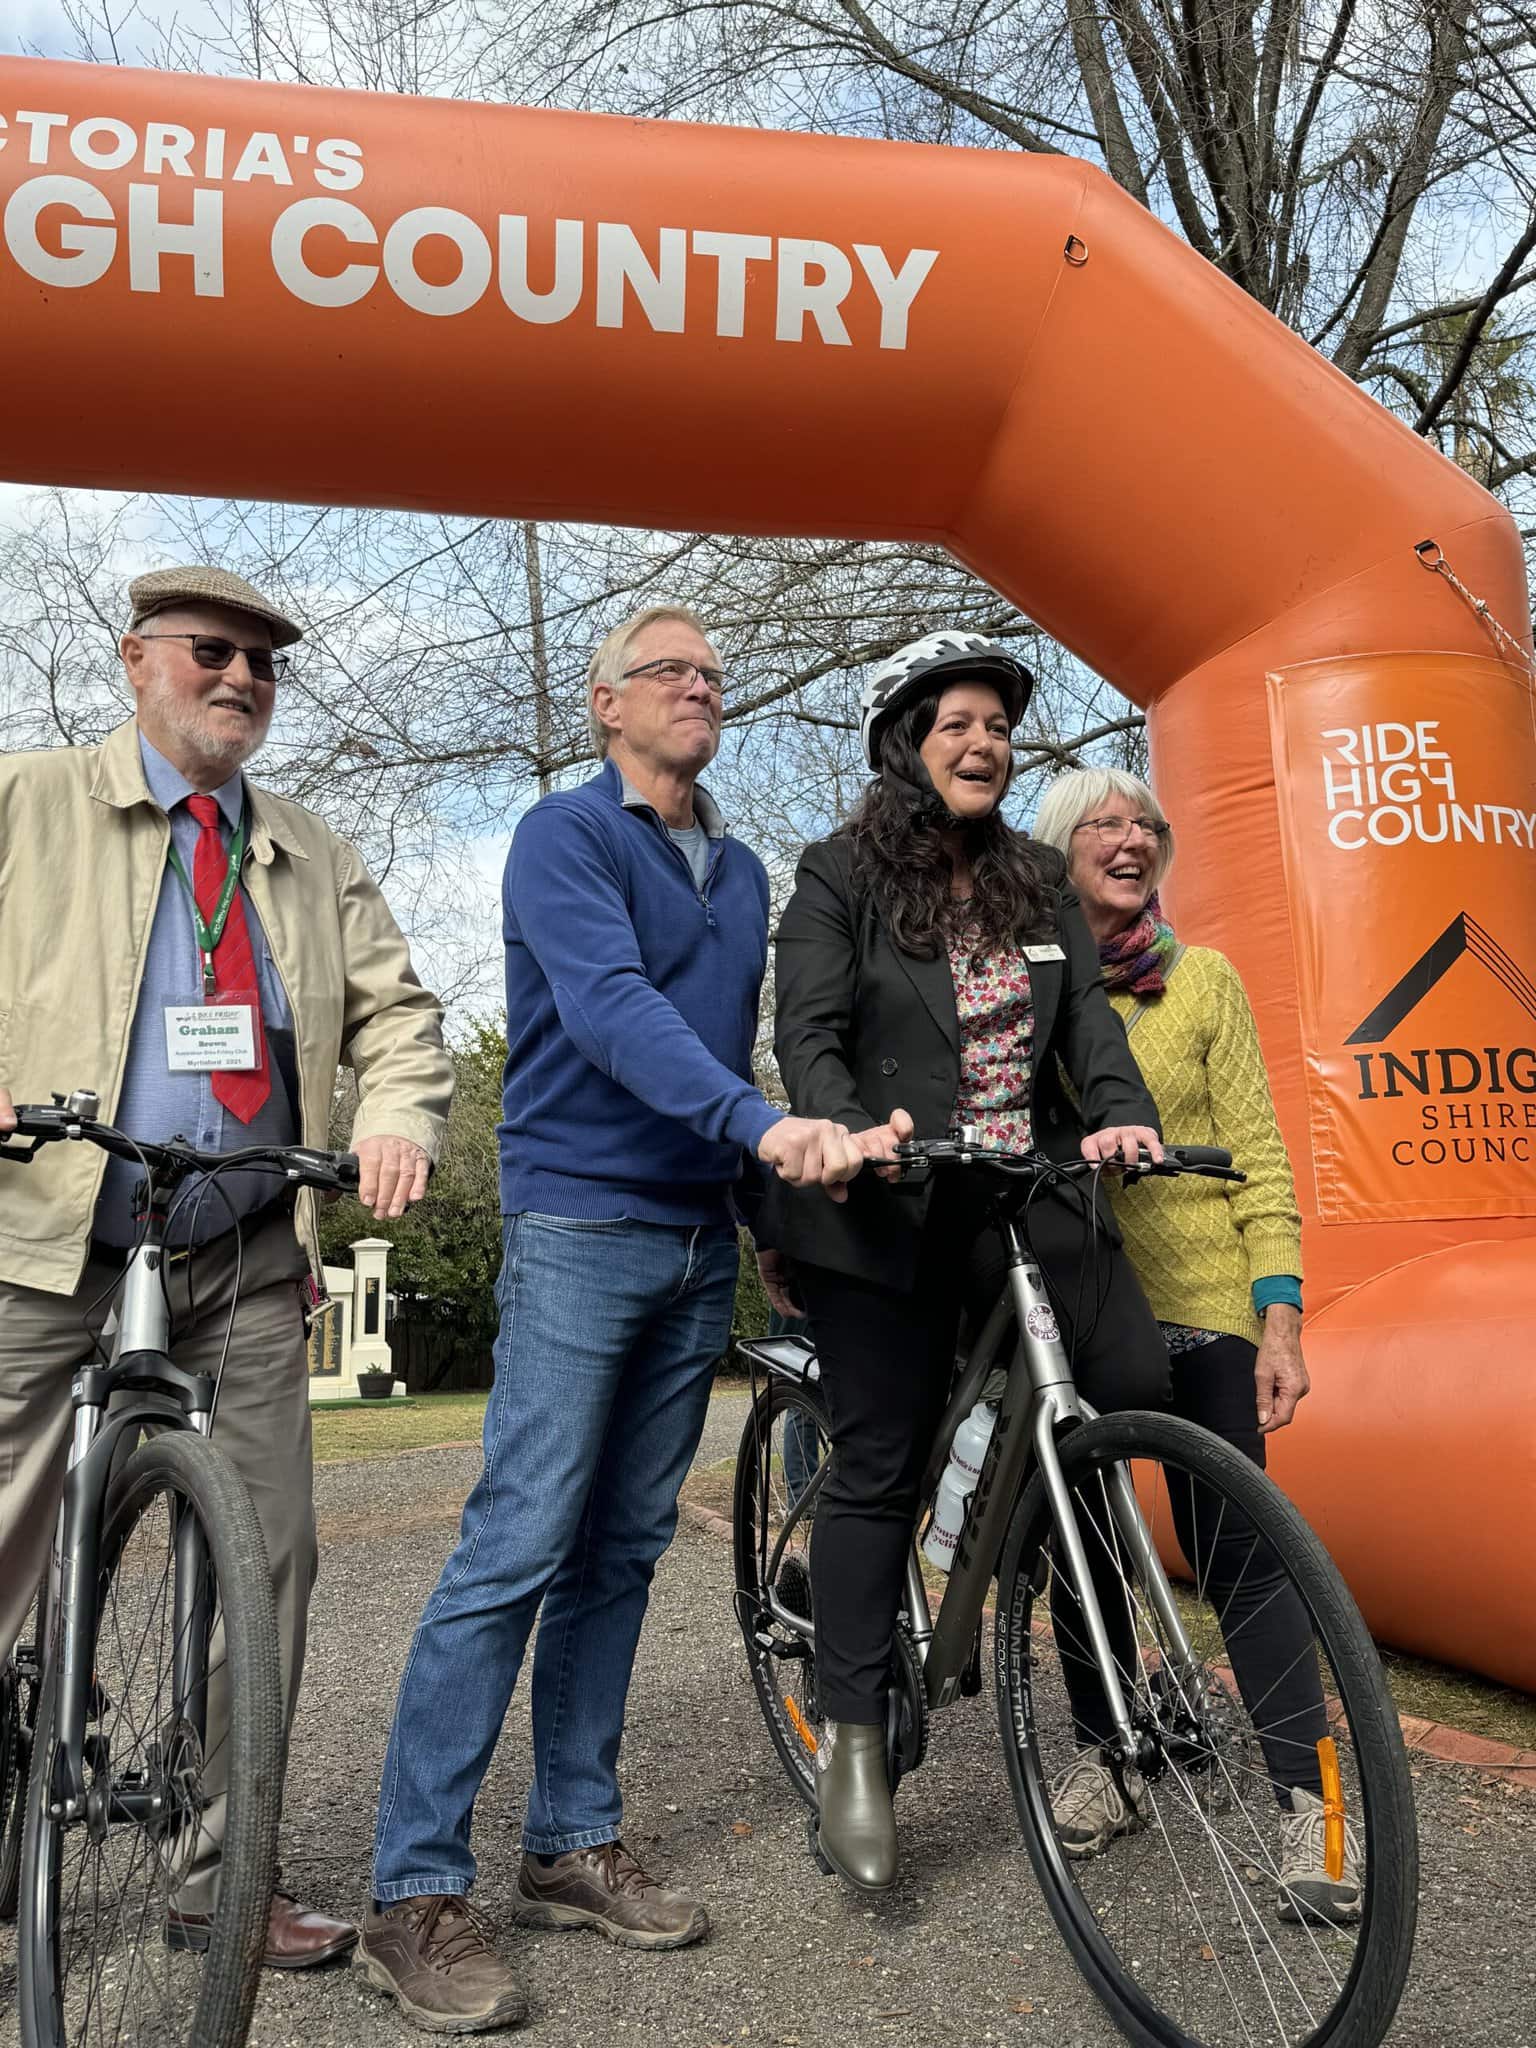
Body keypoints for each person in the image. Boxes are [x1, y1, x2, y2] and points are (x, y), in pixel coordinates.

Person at [360, 604, 866, 2035]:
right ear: (605, 706)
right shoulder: (562, 839)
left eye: (715, 675)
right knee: (517, 1540)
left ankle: (570, 1842)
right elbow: (611, 1012)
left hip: (697, 1239)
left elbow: (713, 1049)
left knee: (623, 1555)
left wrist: (758, 1217)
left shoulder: (745, 865)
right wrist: (766, 1131)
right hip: (579, 1223)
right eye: (671, 673)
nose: (701, 690)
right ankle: (413, 1890)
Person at [0, 563, 454, 1967]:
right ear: (137, 660)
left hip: (242, 1252)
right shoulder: (27, 801)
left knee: (264, 1569)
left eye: (266, 663)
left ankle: (221, 1875)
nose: (242, 678)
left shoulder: (311, 848)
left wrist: (392, 1121)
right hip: (45, 1236)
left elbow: (399, 1015)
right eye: (214, 652)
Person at [754, 630, 1171, 1895]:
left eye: (996, 723)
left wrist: (1120, 1109)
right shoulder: (837, 876)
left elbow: (1089, 1026)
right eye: (956, 724)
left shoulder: (1041, 882)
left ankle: (1107, 1717)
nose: (983, 741)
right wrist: (838, 1127)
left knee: (1095, 1421)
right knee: (883, 1454)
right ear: (905, 744)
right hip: (878, 1201)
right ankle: (857, 1749)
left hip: (1017, 1197)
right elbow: (811, 1030)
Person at [1032, 765, 1356, 1920]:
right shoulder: (1026, 989)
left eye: (1146, 824)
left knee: (1247, 1557)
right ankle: (1108, 1753)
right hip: (1071, 1303)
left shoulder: (1204, 979)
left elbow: (1261, 1154)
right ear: (1056, 855)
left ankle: (1310, 1805)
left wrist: (1279, 1314)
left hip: (1206, 1295)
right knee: (1077, 1547)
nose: (1131, 839)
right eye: (1104, 826)